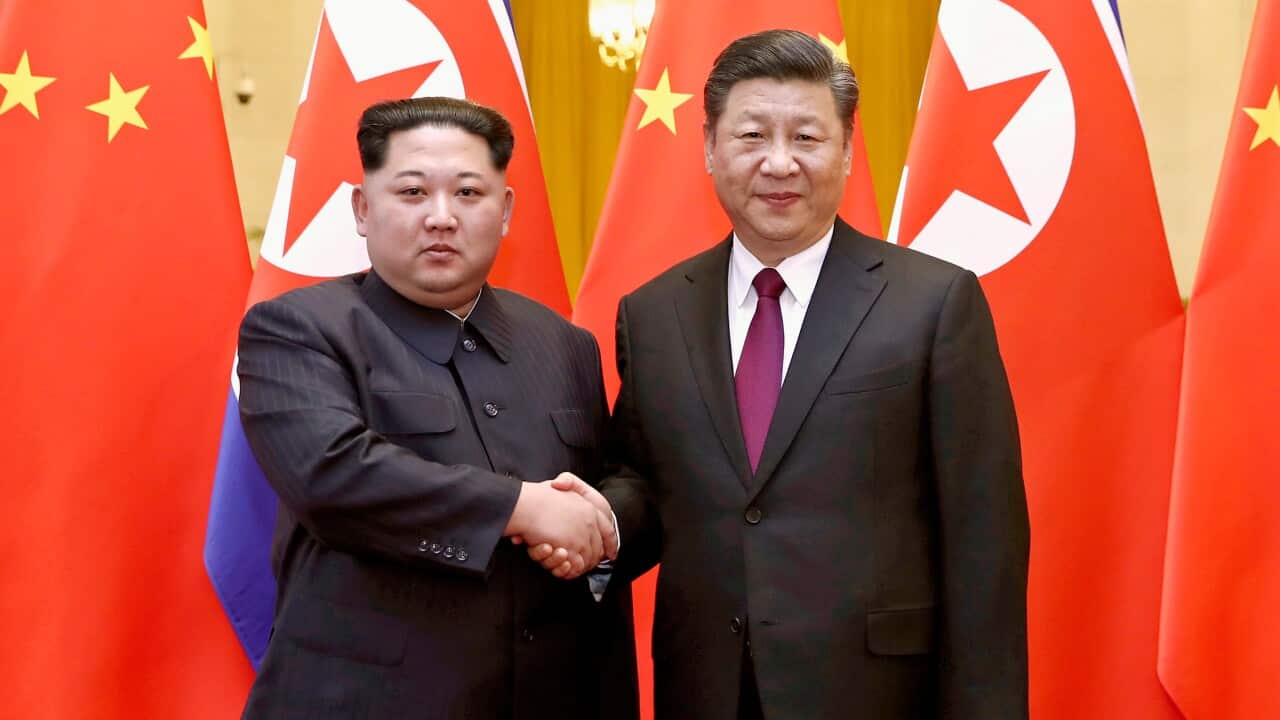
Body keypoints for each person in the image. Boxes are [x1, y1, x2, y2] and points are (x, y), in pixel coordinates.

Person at [537, 29, 1030, 719]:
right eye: (751, 136)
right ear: (709, 147)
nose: (778, 162)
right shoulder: (654, 314)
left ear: (847, 150)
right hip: (707, 688)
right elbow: (645, 481)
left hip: (876, 695)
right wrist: (600, 523)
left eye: (806, 137)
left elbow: (984, 541)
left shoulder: (934, 303)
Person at [236, 96, 637, 719]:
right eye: (413, 192)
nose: (442, 217)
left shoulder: (565, 344)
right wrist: (523, 508)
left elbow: (615, 483)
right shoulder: (296, 329)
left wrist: (599, 527)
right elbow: (331, 475)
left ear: (506, 211)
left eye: (469, 193)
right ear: (362, 209)